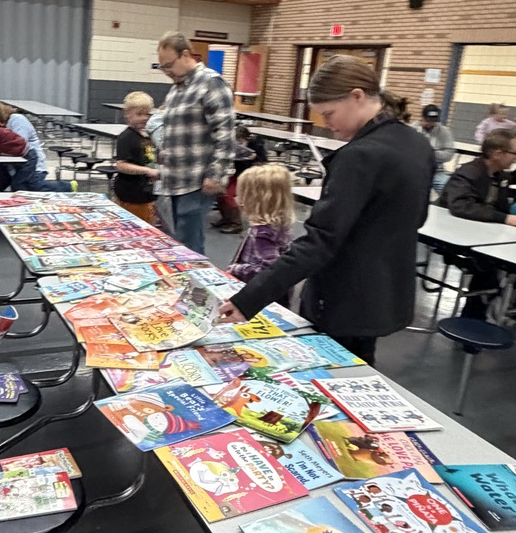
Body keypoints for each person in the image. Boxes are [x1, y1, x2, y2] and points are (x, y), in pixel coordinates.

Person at [219, 55, 435, 367]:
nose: (326, 123)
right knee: (360, 367)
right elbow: (418, 217)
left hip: (343, 297)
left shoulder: (359, 156)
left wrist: (249, 298)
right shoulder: (416, 142)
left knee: (331, 373)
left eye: (329, 113)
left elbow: (320, 242)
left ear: (357, 96)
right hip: (384, 293)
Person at [157, 32, 235, 254]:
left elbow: (225, 132)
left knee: (189, 246)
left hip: (197, 181)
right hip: (174, 180)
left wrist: (216, 174)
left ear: (185, 55)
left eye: (169, 65)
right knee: (178, 242)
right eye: (161, 67)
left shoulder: (211, 83)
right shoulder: (176, 89)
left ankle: (195, 287)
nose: (166, 71)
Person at [437, 130, 516, 318]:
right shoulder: (468, 173)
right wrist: (504, 218)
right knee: (490, 273)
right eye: (514, 153)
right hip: (456, 240)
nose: (515, 159)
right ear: (498, 153)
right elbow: (461, 206)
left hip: (486, 237)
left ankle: (498, 306)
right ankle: (475, 321)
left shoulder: (499, 176)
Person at [227, 164, 294, 306]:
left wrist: (236, 269)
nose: (238, 198)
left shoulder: (262, 231)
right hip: (277, 295)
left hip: (259, 297)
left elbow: (270, 271)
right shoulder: (279, 223)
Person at [114, 92, 159, 224]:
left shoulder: (149, 135)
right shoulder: (127, 137)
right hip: (131, 193)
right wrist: (146, 170)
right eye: (139, 114)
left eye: (148, 114)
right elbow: (121, 165)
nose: (144, 118)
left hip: (147, 192)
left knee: (148, 225)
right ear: (127, 114)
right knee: (138, 227)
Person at [212, 124, 261, 234]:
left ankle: (236, 224)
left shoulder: (257, 147)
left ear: (247, 139)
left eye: (241, 142)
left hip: (252, 175)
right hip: (237, 174)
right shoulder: (235, 148)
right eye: (237, 142)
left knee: (229, 195)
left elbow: (261, 165)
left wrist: (251, 160)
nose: (239, 145)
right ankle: (227, 218)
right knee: (219, 193)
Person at [413, 104, 455, 194]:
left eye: (433, 121)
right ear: (422, 118)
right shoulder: (413, 129)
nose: (430, 123)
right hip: (414, 169)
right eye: (428, 120)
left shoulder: (444, 131)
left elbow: (450, 153)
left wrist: (433, 153)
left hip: (436, 171)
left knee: (449, 189)